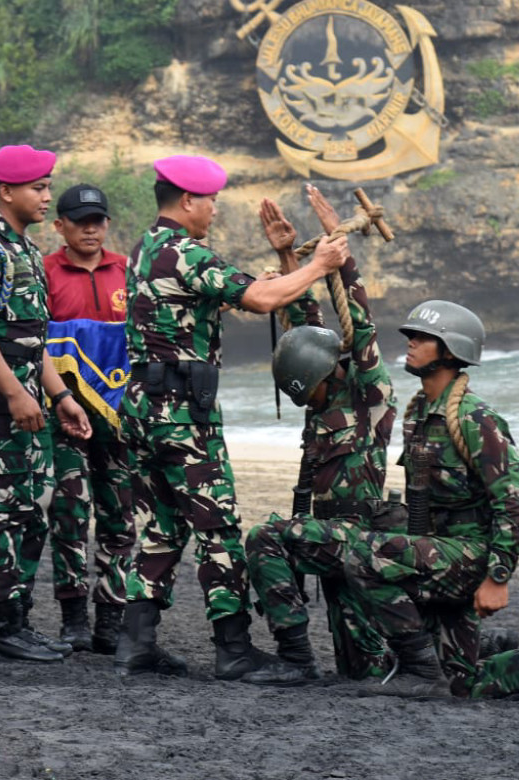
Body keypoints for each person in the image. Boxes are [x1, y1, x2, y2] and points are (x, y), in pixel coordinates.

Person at [115, 155, 350, 681]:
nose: (215, 209)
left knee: (163, 528)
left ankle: (136, 643)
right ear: (189, 201)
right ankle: (233, 648)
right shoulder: (189, 251)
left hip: (142, 409)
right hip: (183, 417)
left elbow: (193, 304)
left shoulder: (145, 250)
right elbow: (264, 300)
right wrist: (318, 266)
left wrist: (263, 276)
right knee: (217, 527)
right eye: (212, 200)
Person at [342, 300, 519, 701]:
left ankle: (417, 666)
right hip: (441, 554)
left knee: (361, 555)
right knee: (462, 684)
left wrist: (497, 577)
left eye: (423, 337)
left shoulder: (473, 418)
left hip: (468, 555)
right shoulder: (420, 413)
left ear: (450, 352)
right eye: (411, 335)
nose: (410, 342)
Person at [241, 183, 398, 686]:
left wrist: (339, 249)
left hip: (361, 540)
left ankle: (295, 660)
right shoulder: (323, 398)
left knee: (265, 538)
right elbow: (305, 324)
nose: (305, 401)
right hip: (331, 542)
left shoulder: (367, 395)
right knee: (359, 670)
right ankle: (305, 656)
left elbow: (361, 325)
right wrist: (288, 253)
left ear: (330, 376)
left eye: (307, 391)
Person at [0, 145, 93, 663]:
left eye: (49, 186)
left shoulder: (26, 251)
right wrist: (13, 392)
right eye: (38, 188)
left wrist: (61, 396)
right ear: (6, 191)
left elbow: (32, 339)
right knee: (9, 511)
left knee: (31, 510)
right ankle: (1, 626)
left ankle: (17, 621)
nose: (48, 196)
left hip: (25, 404)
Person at [42, 183, 134, 654]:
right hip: (64, 411)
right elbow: (33, 342)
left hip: (118, 419)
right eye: (81, 222)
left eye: (99, 220)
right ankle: (74, 616)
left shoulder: (128, 272)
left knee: (119, 515)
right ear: (60, 227)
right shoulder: (44, 274)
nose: (91, 228)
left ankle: (112, 618)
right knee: (69, 511)